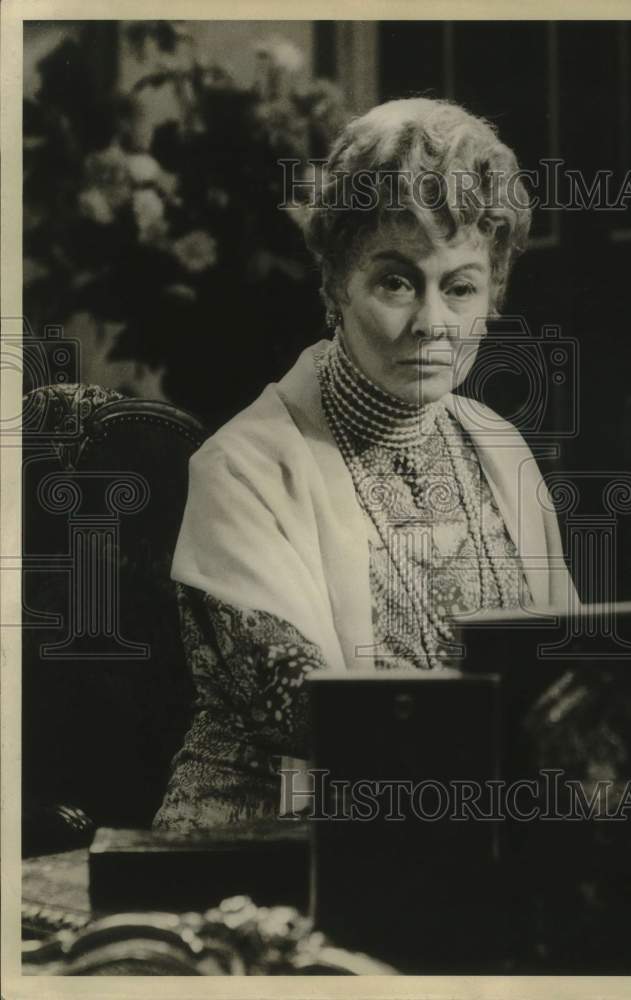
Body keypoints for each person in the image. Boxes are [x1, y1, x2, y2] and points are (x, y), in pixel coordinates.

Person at [151, 98, 578, 831]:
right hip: (258, 851)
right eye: (396, 281)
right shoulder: (243, 467)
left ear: (493, 296)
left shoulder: (497, 446)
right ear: (334, 285)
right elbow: (315, 714)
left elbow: (570, 678)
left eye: (461, 287)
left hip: (449, 832)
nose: (432, 324)